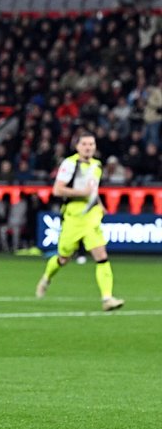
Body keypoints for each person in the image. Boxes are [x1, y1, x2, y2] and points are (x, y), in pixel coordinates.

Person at [35, 131, 124, 311]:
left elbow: (93, 190)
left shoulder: (97, 165)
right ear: (77, 146)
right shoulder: (69, 164)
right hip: (73, 217)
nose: (88, 147)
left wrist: (100, 204)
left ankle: (107, 298)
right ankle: (46, 278)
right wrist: (81, 193)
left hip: (91, 216)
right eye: (84, 144)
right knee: (63, 258)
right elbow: (57, 190)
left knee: (101, 256)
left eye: (91, 144)